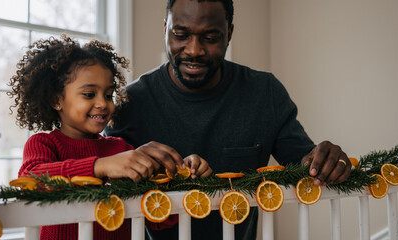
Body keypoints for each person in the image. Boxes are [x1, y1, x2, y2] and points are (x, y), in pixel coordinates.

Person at [104, 0, 351, 239]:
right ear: (165, 28)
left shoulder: (265, 93)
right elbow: (98, 184)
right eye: (180, 35)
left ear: (229, 34)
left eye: (210, 38)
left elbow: (306, 164)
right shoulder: (129, 102)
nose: (194, 50)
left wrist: (326, 159)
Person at [8, 35, 212, 240]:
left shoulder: (122, 150)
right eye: (89, 94)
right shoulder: (44, 144)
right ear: (56, 99)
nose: (103, 104)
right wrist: (101, 166)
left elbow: (156, 217)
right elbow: (30, 180)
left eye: (108, 95)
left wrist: (183, 177)